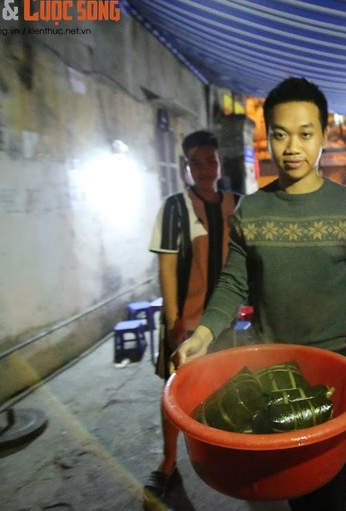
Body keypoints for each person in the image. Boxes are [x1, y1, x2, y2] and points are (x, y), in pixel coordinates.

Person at [174, 77, 346, 510]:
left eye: (305, 133)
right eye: (280, 133)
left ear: (324, 136)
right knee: (277, 488)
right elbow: (234, 282)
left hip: (332, 371)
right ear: (268, 136)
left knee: (325, 492)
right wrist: (201, 336)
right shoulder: (251, 211)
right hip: (268, 369)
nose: (292, 146)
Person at [144, 130, 240, 503]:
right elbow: (167, 268)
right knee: (174, 391)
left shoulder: (237, 204)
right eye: (195, 162)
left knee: (227, 385)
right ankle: (168, 460)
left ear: (219, 163)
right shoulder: (174, 207)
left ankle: (223, 451)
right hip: (185, 321)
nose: (204, 169)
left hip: (227, 320)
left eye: (209, 161)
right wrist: (173, 326)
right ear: (186, 167)